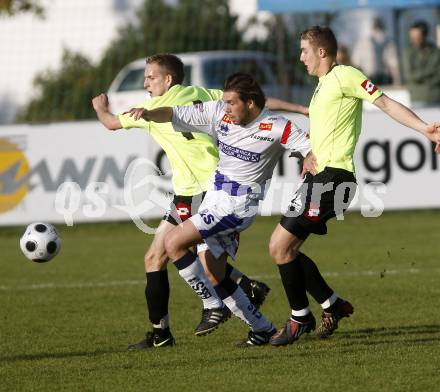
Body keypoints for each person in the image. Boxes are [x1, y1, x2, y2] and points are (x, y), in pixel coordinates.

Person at [92, 54, 308, 350]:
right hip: (209, 194)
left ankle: (210, 306)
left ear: (168, 80)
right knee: (209, 267)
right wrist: (301, 108)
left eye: (150, 77)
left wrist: (101, 107)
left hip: (213, 196)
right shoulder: (207, 97)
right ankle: (259, 325)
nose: (145, 83)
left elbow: (110, 122)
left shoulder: (156, 106)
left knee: (171, 247)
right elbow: (249, 101)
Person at [268, 26, 440, 347]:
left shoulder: (345, 75)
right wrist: (310, 153)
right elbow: (327, 131)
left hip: (335, 179)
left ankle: (299, 317)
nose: (300, 57)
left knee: (281, 246)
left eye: (305, 50)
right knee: (283, 248)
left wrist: (424, 129)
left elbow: (386, 103)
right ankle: (332, 305)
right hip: (319, 177)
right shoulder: (320, 87)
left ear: (322, 52)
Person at [352, 17, 401, 85]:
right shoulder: (364, 42)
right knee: (380, 94)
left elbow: (356, 61)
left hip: (379, 76)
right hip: (373, 76)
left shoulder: (388, 42)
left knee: (372, 94)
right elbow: (356, 61)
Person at [402, 20, 440, 108]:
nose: (413, 40)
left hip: (436, 96)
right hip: (418, 98)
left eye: (416, 37)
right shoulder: (409, 53)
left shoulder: (435, 52)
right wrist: (430, 71)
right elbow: (410, 75)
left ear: (424, 35)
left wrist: (423, 77)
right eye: (412, 37)